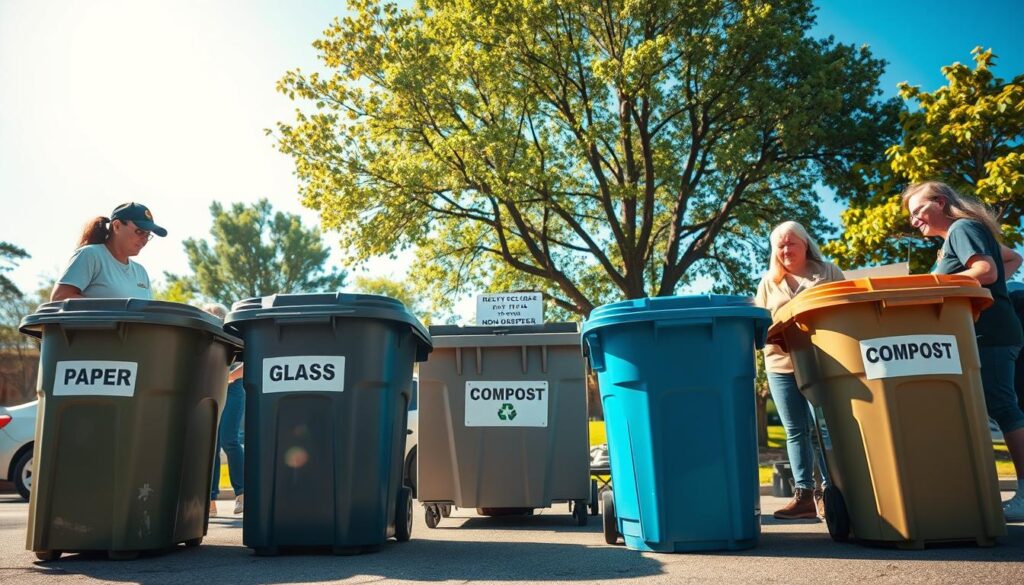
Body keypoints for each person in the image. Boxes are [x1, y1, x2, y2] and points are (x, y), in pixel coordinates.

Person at [903, 181, 1024, 522]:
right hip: (983, 331)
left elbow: (986, 271)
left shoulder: (962, 228)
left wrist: (943, 284)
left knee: (1003, 405)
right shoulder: (961, 235)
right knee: (991, 407)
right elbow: (1010, 259)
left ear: (940, 202)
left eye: (918, 211)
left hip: (991, 332)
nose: (914, 221)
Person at [756, 221, 845, 519]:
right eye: (779, 245)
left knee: (823, 428)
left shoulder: (828, 272)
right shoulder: (768, 281)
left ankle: (830, 492)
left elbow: (845, 309)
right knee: (795, 430)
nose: (784, 249)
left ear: (805, 243)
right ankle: (804, 495)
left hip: (821, 360)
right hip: (780, 363)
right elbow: (760, 323)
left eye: (790, 243)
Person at [51, 202, 167, 301]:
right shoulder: (91, 255)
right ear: (117, 226)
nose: (144, 240)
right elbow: (59, 298)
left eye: (148, 235)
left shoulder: (141, 272)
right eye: (140, 231)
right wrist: (114, 313)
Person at [202, 302, 245, 517]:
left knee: (229, 440)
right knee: (212, 445)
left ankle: (242, 494)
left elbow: (247, 364)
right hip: (211, 388)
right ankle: (210, 501)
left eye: (214, 318)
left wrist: (228, 377)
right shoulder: (205, 338)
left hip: (233, 388)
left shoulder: (234, 335)